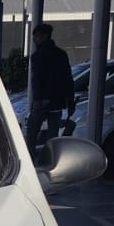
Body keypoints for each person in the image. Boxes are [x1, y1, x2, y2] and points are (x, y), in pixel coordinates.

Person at [25, 23, 74, 153]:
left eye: (37, 36)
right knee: (53, 134)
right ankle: (50, 158)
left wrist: (36, 100)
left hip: (41, 101)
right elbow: (68, 79)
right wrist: (70, 102)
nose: (35, 39)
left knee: (32, 132)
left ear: (44, 36)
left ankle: (29, 158)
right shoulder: (61, 54)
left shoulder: (37, 56)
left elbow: (37, 80)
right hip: (57, 101)